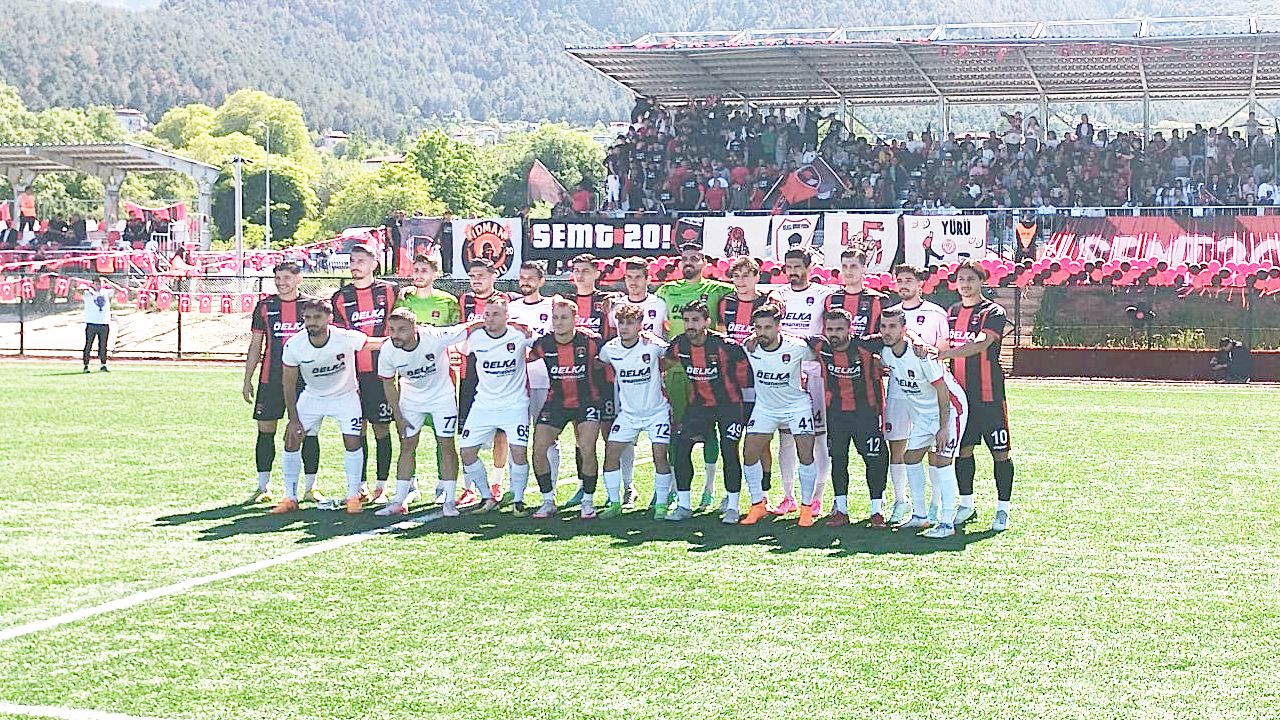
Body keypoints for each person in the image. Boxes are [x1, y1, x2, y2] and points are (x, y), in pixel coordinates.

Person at [274, 299, 386, 515]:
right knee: (291, 440)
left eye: (317, 317)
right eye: (307, 318)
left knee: (352, 441)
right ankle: (290, 497)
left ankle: (353, 496)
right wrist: (293, 419)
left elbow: (376, 343)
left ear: (329, 318)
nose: (312, 322)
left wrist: (409, 335)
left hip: (345, 397)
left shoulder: (344, 337)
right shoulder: (294, 345)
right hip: (312, 397)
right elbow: (288, 384)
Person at [377, 308, 481, 517]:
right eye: (392, 329)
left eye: (402, 329)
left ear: (414, 328)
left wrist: (512, 325)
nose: (396, 335)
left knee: (446, 445)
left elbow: (469, 328)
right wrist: (398, 415)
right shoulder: (388, 350)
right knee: (407, 446)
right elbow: (389, 383)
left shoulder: (435, 337)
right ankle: (399, 500)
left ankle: (449, 501)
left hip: (442, 398)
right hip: (411, 401)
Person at [654, 244, 735, 508]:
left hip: (709, 373)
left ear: (704, 263)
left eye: (694, 258)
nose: (688, 262)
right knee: (676, 430)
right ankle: (673, 487)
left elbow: (748, 290)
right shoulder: (666, 290)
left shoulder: (717, 289)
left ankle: (709, 488)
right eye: (684, 259)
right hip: (677, 371)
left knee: (712, 434)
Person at [878, 308, 968, 538]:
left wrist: (943, 427)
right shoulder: (886, 353)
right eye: (884, 326)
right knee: (910, 457)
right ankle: (920, 516)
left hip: (951, 410)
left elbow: (942, 390)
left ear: (904, 329)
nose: (887, 331)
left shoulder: (921, 354)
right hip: (924, 415)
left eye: (893, 326)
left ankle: (946, 523)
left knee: (943, 461)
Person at [940, 260, 1015, 532]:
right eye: (961, 279)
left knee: (1000, 453)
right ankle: (966, 504)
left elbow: (982, 343)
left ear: (982, 281)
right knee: (963, 451)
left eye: (971, 279)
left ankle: (1003, 509)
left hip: (989, 396)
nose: (965, 284)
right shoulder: (951, 312)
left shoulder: (993, 311)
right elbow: (941, 342)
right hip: (961, 398)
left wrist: (946, 353)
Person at [242, 262, 322, 506]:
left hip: (305, 381)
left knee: (308, 432)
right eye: (277, 278)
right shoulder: (265, 306)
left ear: (298, 279)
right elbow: (256, 344)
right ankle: (263, 486)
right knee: (266, 431)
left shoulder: (311, 306)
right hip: (271, 379)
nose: (281, 282)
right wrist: (247, 379)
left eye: (286, 277)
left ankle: (311, 487)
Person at [665, 301, 751, 523]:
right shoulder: (679, 344)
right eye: (686, 320)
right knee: (681, 448)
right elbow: (664, 362)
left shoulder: (725, 346)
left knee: (729, 450)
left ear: (707, 321)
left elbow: (745, 370)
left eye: (695, 320)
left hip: (729, 406)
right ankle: (684, 505)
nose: (690, 325)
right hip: (699, 406)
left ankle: (732, 507)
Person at [330, 243, 399, 506]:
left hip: (382, 373)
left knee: (382, 428)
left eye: (360, 260)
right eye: (352, 260)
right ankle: (359, 486)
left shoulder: (390, 291)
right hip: (352, 375)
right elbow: (339, 337)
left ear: (374, 263)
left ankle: (382, 486)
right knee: (356, 430)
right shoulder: (340, 297)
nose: (355, 265)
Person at [740, 304, 821, 527]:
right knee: (749, 453)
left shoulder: (797, 347)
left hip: (796, 407)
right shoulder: (749, 347)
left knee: (805, 454)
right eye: (758, 328)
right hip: (765, 408)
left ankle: (806, 508)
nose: (762, 332)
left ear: (778, 327)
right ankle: (758, 505)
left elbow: (818, 355)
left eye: (767, 327)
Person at [809, 309, 890, 528]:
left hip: (866, 414)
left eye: (839, 329)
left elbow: (896, 334)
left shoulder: (866, 346)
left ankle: (877, 510)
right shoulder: (821, 346)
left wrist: (917, 342)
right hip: (836, 415)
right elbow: (788, 338)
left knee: (875, 460)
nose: (834, 334)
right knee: (838, 459)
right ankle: (841, 510)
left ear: (849, 329)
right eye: (830, 329)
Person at [884, 263, 951, 524]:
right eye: (899, 280)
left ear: (920, 284)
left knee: (934, 447)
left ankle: (934, 504)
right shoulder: (891, 313)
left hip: (927, 391)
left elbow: (942, 350)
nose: (903, 285)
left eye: (909, 280)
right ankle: (901, 501)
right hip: (899, 390)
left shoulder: (935, 313)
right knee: (897, 444)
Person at [529, 298, 608, 519]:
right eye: (555, 317)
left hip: (587, 401)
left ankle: (588, 501)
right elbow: (524, 357)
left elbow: (611, 356)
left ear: (575, 319)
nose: (559, 322)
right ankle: (547, 501)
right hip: (557, 401)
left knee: (587, 447)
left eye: (564, 317)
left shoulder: (591, 341)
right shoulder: (543, 344)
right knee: (538, 448)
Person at [769, 248, 834, 515]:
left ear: (809, 268)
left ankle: (816, 497)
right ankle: (788, 496)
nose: (793, 272)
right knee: (786, 438)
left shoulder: (823, 295)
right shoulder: (778, 295)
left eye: (798, 267)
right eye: (789, 267)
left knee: (818, 438)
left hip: (814, 375)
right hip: (786, 375)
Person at [457, 296, 534, 515]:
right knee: (467, 452)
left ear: (507, 316)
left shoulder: (519, 335)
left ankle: (518, 500)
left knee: (518, 452)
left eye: (496, 314)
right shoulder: (475, 338)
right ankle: (486, 497)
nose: (490, 319)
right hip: (483, 405)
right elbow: (459, 347)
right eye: (487, 314)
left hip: (515, 405)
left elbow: (543, 341)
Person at [598, 304, 675, 520]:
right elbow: (599, 363)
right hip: (628, 414)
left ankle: (661, 504)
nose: (624, 327)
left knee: (659, 456)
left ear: (640, 325)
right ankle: (614, 502)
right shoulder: (610, 349)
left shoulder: (652, 345)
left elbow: (673, 353)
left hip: (657, 412)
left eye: (630, 323)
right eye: (621, 322)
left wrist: (662, 365)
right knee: (611, 453)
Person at [606, 257, 667, 506]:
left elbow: (668, 337)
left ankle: (664, 494)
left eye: (638, 277)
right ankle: (628, 487)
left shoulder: (659, 304)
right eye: (629, 277)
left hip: (654, 378)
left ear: (647, 279)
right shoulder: (616, 306)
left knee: (661, 448)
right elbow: (609, 345)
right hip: (625, 381)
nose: (633, 282)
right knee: (624, 441)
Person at [717, 256, 776, 504]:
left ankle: (763, 494)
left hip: (760, 382)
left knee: (760, 442)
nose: (740, 281)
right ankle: (731, 493)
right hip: (731, 383)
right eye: (736, 276)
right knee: (730, 442)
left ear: (756, 277)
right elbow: (721, 337)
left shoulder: (767, 302)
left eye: (746, 276)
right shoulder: (726, 303)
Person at [560, 253, 613, 510]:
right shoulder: (565, 302)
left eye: (585, 271)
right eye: (577, 270)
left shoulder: (607, 300)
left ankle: (622, 487)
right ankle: (584, 484)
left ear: (596, 274)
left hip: (603, 376)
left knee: (610, 434)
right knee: (580, 435)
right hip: (575, 378)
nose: (580, 275)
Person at [505, 261, 560, 506]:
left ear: (541, 281)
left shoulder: (552, 306)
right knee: (515, 437)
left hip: (543, 381)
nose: (525, 282)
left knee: (546, 437)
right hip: (515, 382)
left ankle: (550, 491)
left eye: (530, 278)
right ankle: (515, 489)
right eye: (522, 277)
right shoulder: (511, 308)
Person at [457, 258, 508, 504]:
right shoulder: (464, 300)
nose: (476, 280)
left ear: (493, 276)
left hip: (498, 375)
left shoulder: (505, 300)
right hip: (470, 373)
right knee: (468, 433)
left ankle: (497, 483)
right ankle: (469, 488)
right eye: (472, 276)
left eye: (481, 275)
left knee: (500, 434)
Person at [395, 255, 459, 326]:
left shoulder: (449, 300)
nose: (419, 275)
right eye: (416, 270)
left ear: (435, 274)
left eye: (424, 271)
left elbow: (457, 329)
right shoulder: (403, 299)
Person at [81, 276, 117, 373]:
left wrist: (108, 282)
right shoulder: (87, 293)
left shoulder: (105, 292)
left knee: (103, 345)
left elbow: (119, 290)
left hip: (104, 323)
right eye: (97, 284)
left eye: (100, 284)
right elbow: (78, 290)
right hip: (91, 323)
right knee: (88, 345)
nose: (99, 286)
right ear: (93, 284)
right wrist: (88, 288)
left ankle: (103, 365)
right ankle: (86, 366)